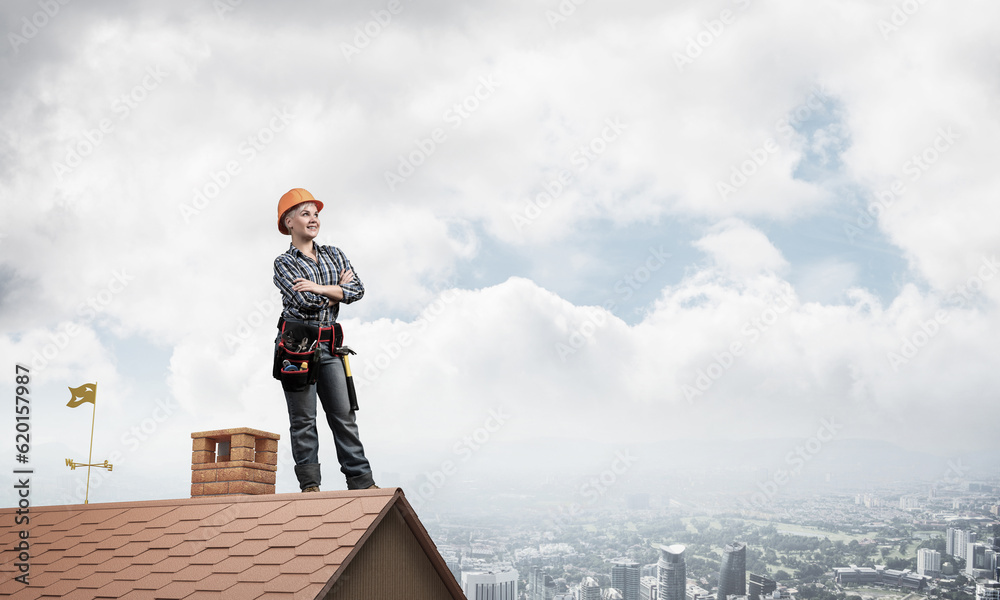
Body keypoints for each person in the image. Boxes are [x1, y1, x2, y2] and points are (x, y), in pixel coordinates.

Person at [272, 187, 377, 492]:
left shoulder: (335, 254)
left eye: (316, 214)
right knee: (304, 420)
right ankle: (310, 487)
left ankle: (361, 483)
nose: (313, 219)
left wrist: (318, 289)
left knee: (343, 415)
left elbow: (357, 291)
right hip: (296, 347)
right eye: (305, 214)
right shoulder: (283, 264)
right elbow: (304, 302)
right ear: (289, 222)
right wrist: (334, 292)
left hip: (331, 346)